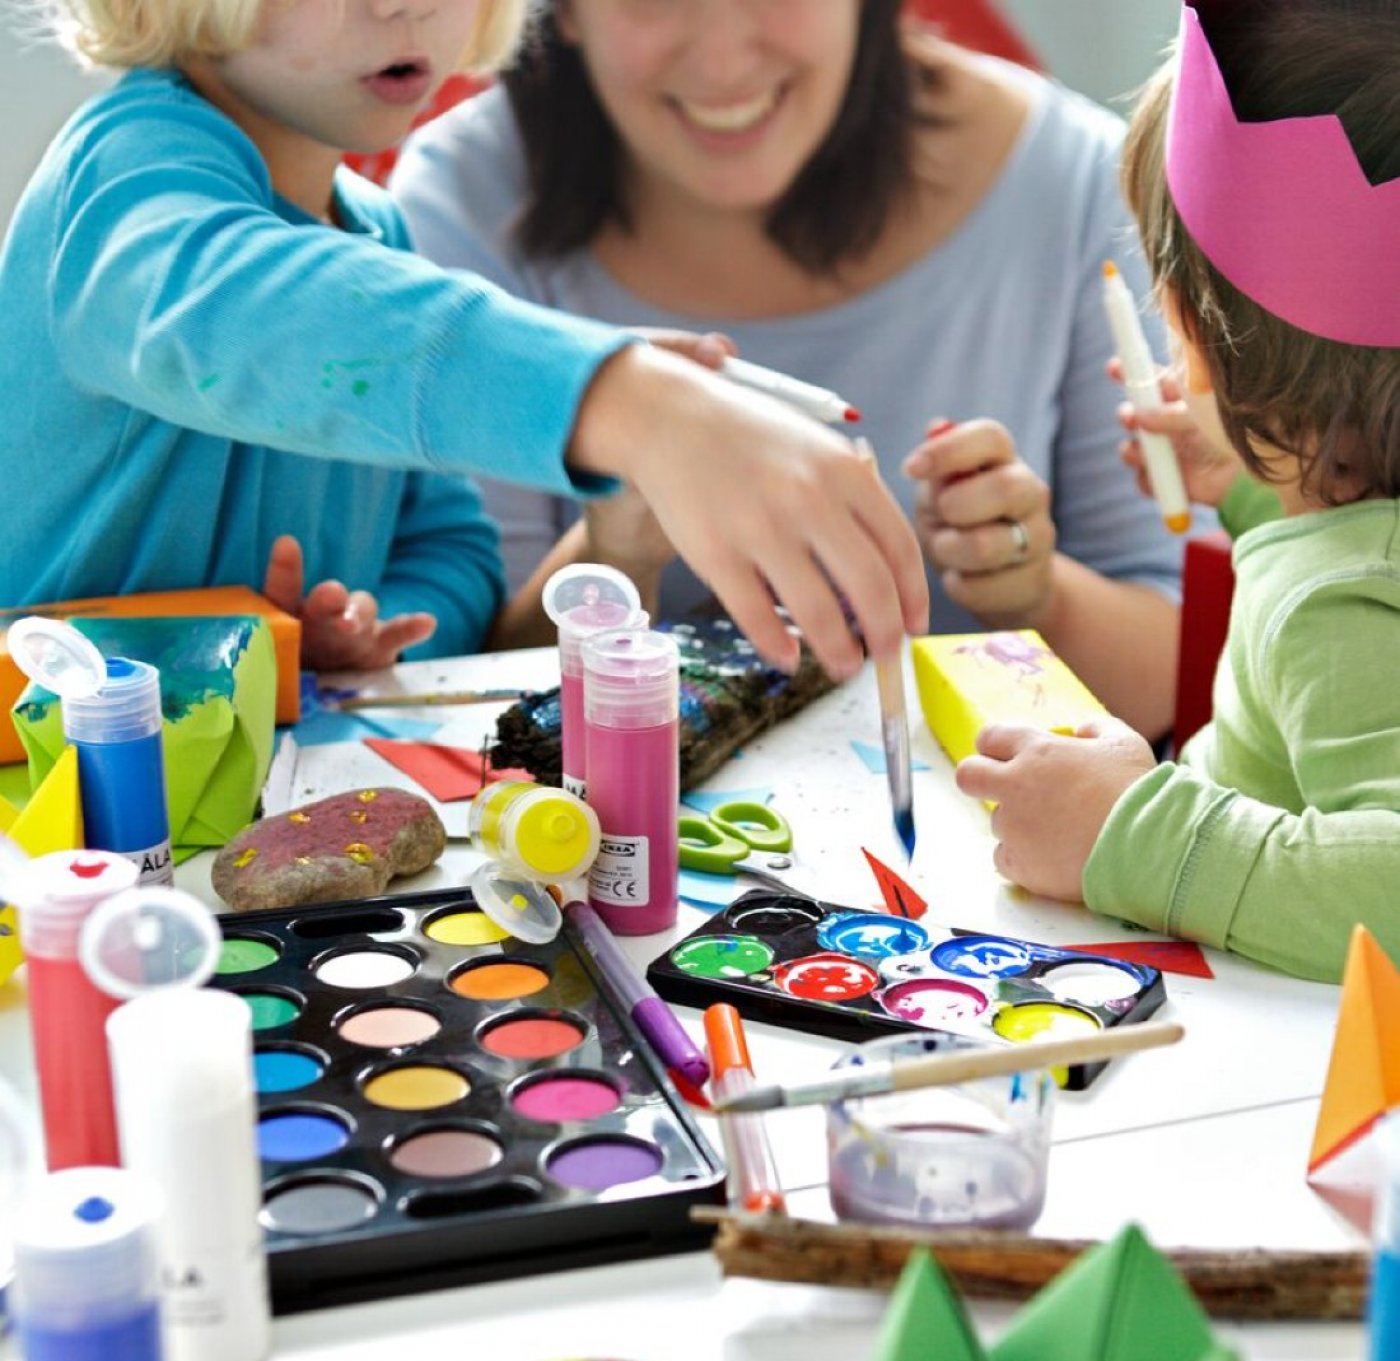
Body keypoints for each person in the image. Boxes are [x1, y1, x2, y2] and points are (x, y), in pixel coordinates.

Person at [0, 0, 927, 676]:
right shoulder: (119, 180)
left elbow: (450, 555)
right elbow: (241, 307)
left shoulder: (377, 232)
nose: (407, 6)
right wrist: (633, 401)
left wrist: (379, 633)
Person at [391, 2, 1185, 738]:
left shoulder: (1072, 178)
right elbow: (456, 706)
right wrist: (614, 549)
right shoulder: (458, 200)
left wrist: (1036, 594)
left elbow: (1179, 678)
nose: (724, 61)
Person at [955, 0, 1400, 985]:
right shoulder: (1354, 546)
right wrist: (1260, 481)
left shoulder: (1338, 606)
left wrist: (1128, 831)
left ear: (1191, 337)